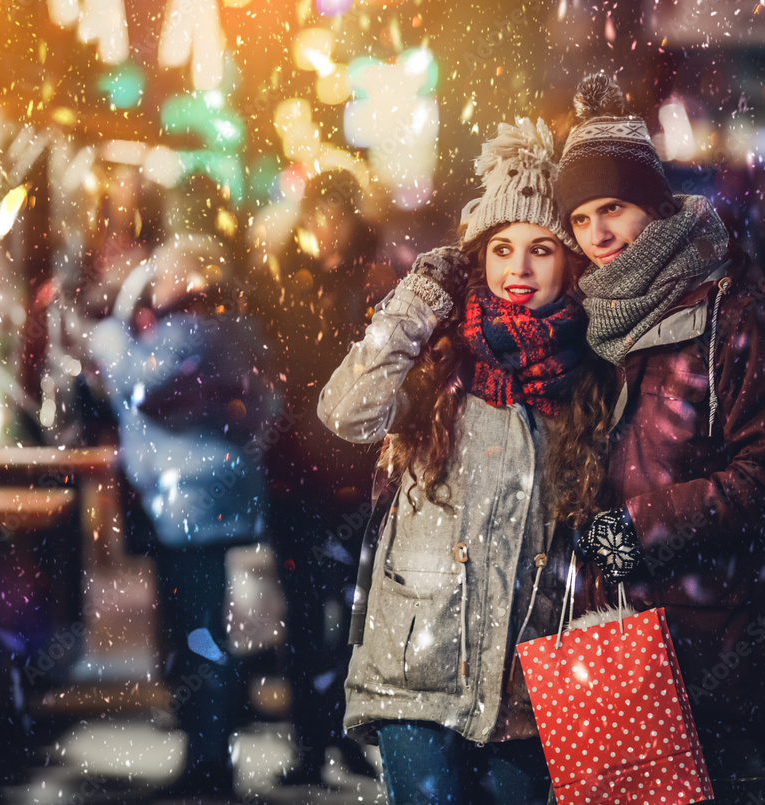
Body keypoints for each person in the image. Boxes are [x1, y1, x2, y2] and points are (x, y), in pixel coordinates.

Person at [317, 118, 613, 804]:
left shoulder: (593, 379)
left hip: (529, 687)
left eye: (542, 249)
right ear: (476, 258)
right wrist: (416, 304)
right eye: (502, 248)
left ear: (569, 262)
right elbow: (346, 410)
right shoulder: (440, 360)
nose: (520, 267)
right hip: (417, 672)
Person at [556, 73, 765, 804]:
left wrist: (634, 528)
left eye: (615, 208)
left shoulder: (730, 309)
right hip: (622, 650)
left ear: (653, 206)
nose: (597, 233)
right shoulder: (593, 326)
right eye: (583, 217)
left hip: (718, 647)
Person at [89, 174, 279, 798]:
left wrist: (113, 327)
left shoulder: (193, 332)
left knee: (197, 632)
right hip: (199, 499)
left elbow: (134, 387)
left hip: (191, 503)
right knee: (195, 627)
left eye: (164, 274)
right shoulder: (231, 328)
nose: (155, 282)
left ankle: (208, 760)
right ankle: (206, 751)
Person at [257, 169, 392, 786]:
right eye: (319, 211)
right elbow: (271, 363)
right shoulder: (289, 277)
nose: (326, 223)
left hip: (350, 472)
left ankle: (342, 735)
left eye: (336, 211)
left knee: (354, 616)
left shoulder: (372, 281)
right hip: (297, 474)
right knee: (305, 615)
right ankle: (311, 743)